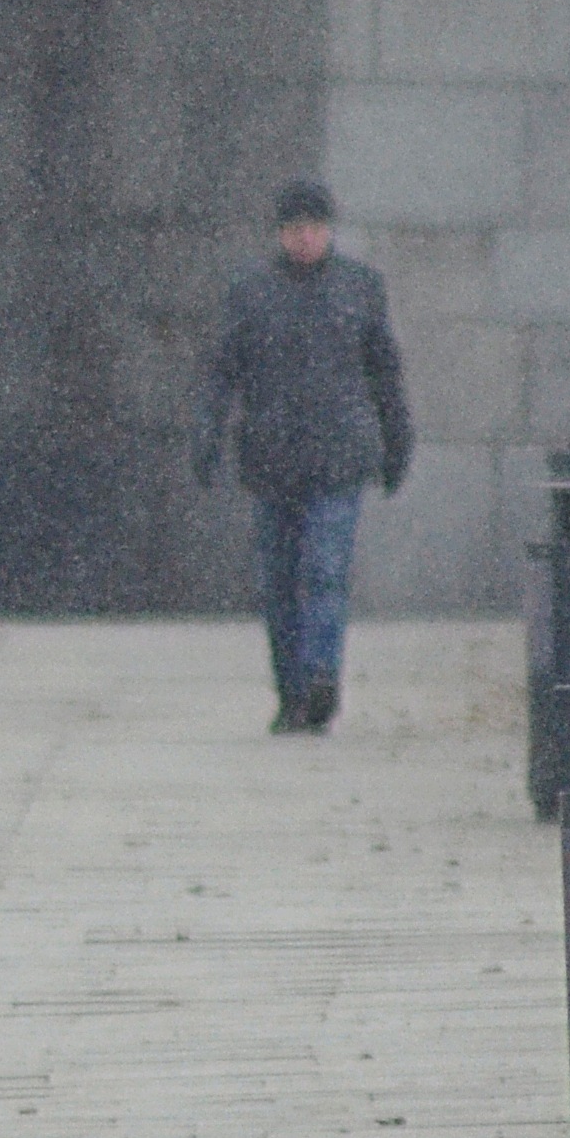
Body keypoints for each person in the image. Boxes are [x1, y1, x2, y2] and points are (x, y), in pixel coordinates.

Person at [195, 176, 410, 735]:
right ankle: (291, 693)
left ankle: (320, 677)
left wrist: (397, 440)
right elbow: (223, 371)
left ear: (329, 230)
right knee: (279, 580)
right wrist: (207, 435)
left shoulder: (360, 288)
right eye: (294, 229)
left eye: (314, 228)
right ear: (280, 233)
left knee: (324, 571)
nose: (305, 239)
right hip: (272, 459)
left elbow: (384, 372)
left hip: (339, 458)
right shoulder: (251, 291)